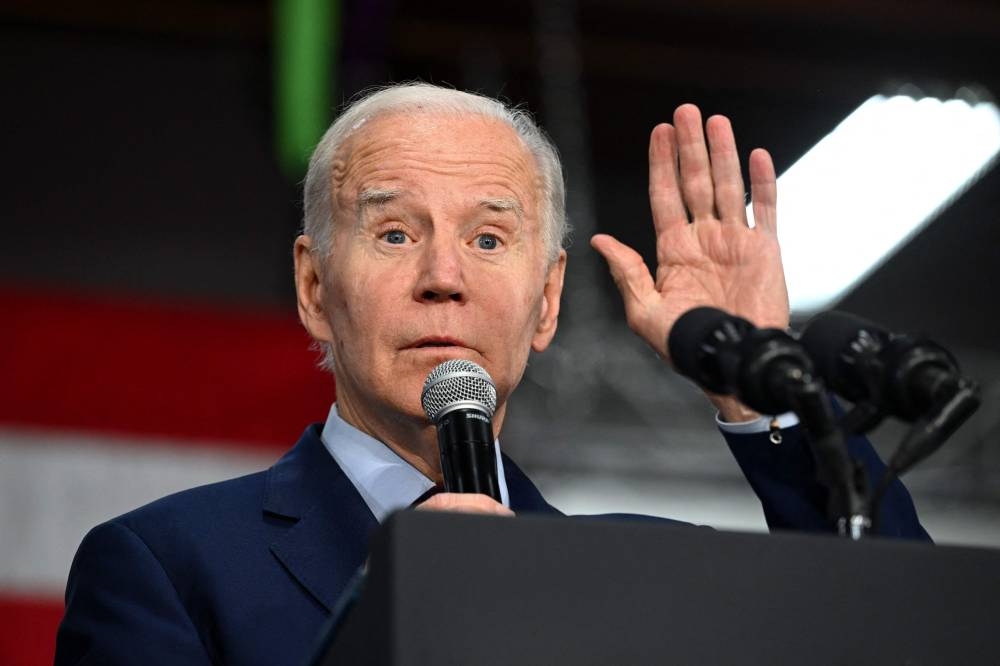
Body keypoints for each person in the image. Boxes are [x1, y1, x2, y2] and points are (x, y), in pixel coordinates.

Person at [55, 83, 927, 666]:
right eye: (395, 233)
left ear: (547, 302)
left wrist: (757, 385)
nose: (445, 275)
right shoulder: (166, 566)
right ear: (316, 288)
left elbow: (911, 638)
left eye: (488, 239)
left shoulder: (656, 572)